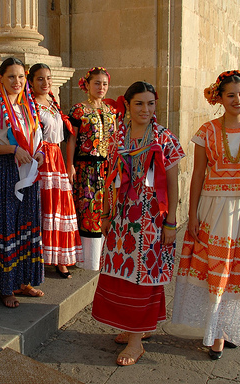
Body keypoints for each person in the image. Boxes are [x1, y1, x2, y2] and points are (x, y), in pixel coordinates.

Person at [172, 70, 240, 359]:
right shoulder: (207, 131)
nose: (238, 99)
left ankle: (227, 327)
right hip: (215, 207)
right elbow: (197, 175)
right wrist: (191, 215)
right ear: (219, 98)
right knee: (217, 268)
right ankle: (217, 333)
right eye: (231, 95)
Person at [91, 81, 185, 366]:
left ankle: (135, 341)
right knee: (121, 273)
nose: (146, 109)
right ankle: (133, 328)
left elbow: (172, 183)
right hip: (122, 217)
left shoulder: (164, 139)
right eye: (139, 103)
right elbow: (109, 179)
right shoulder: (119, 138)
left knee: (144, 275)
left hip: (152, 219)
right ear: (128, 106)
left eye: (150, 103)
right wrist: (106, 214)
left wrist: (171, 222)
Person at [0, 57, 45, 308]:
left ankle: (23, 280)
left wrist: (37, 153)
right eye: (11, 77)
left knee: (24, 223)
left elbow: (35, 139)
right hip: (4, 170)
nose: (16, 82)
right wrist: (12, 149)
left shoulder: (28, 106)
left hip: (26, 169)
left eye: (20, 77)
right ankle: (4, 287)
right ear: (0, 78)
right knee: (6, 223)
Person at [27, 63, 83, 278]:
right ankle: (40, 258)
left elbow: (65, 136)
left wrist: (68, 165)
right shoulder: (29, 104)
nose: (45, 83)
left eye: (48, 78)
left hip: (56, 158)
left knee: (61, 207)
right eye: (40, 79)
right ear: (31, 81)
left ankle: (61, 258)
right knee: (44, 207)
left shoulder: (52, 102)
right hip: (41, 158)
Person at [67, 67, 117, 270]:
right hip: (86, 167)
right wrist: (69, 164)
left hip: (108, 168)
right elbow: (71, 139)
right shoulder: (79, 110)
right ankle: (86, 259)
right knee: (87, 209)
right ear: (87, 85)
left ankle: (103, 257)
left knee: (105, 208)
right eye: (97, 83)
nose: (101, 87)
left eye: (104, 84)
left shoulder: (111, 110)